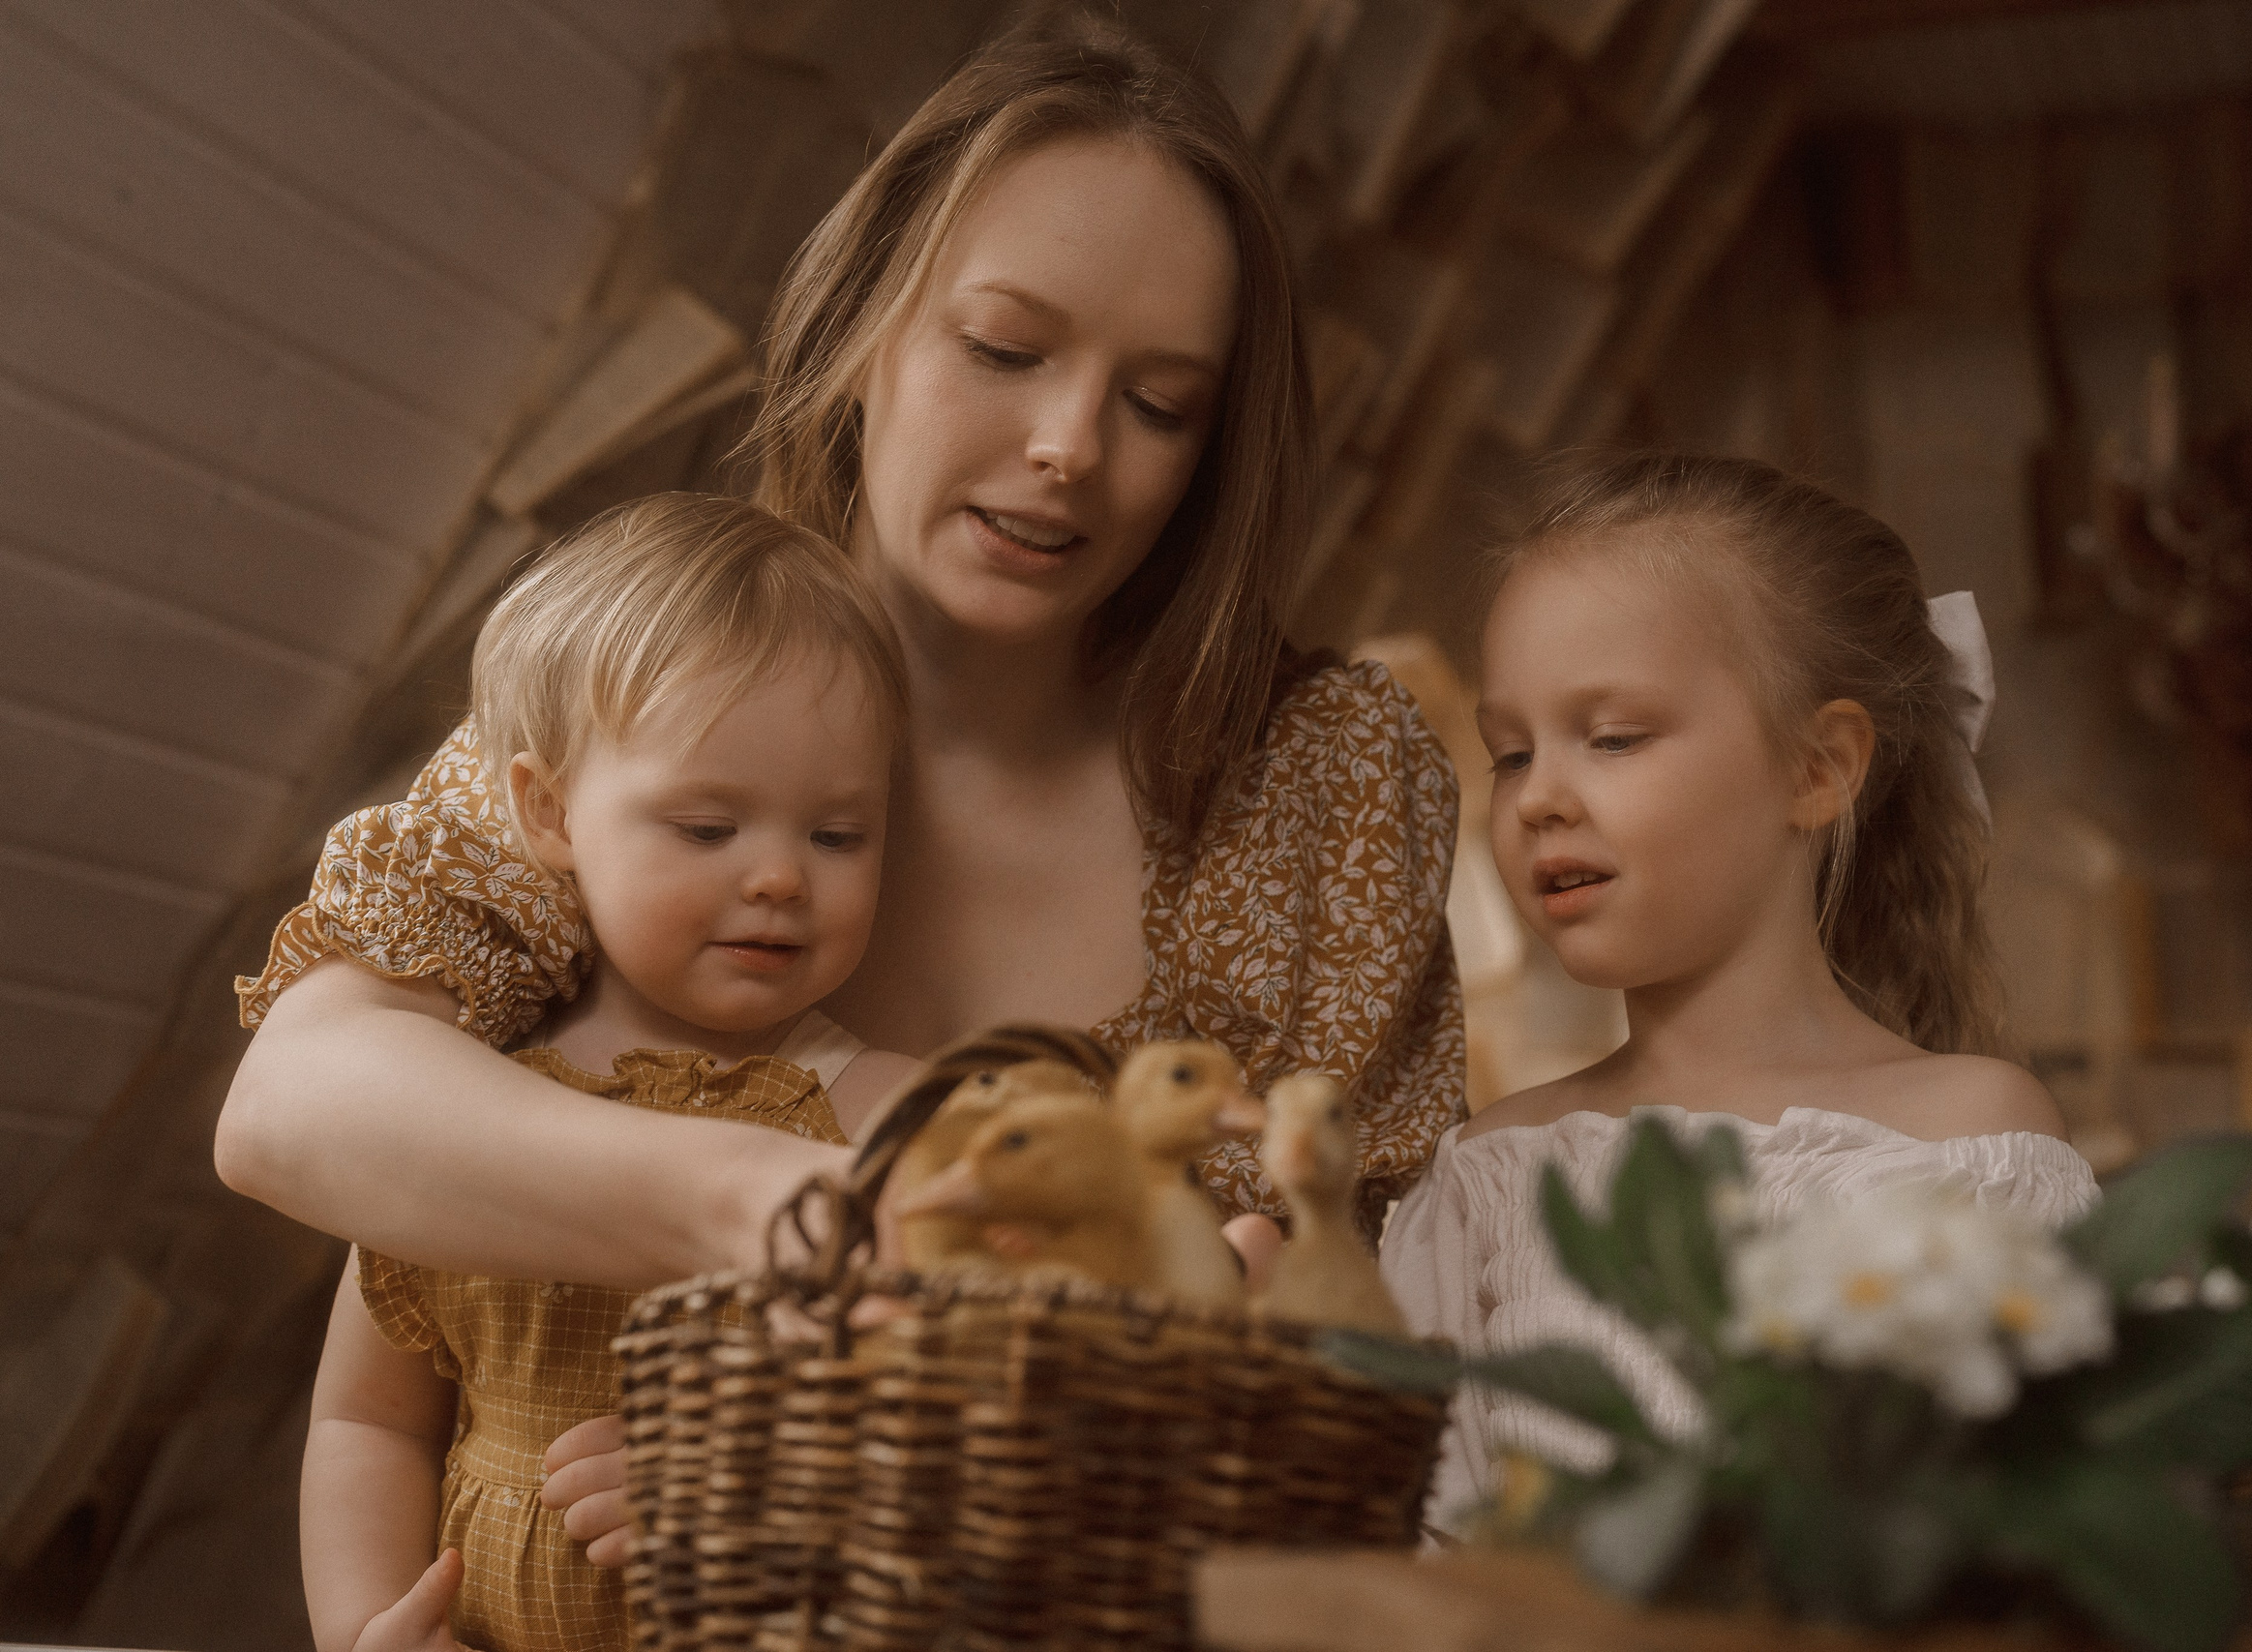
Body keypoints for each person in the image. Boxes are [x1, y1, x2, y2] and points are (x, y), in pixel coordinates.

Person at [219, 12, 1461, 1571]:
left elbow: (1371, 1371)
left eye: (1160, 405)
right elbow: (293, 1106)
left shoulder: (1330, 776)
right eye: (1005, 349)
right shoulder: (663, 668)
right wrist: (775, 1202)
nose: (1070, 445)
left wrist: (851, 1460)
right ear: (865, 322)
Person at [1378, 451, 2099, 1526]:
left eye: (1612, 737)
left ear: (1817, 769)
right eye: (1512, 756)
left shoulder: (1971, 1142)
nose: (1538, 801)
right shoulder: (1488, 1181)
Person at [300, 494, 916, 1652]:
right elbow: (367, 1422)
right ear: (550, 812)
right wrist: (364, 1626)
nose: (782, 877)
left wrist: (777, 1478)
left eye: (838, 835)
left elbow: (970, 1421)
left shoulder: (882, 1113)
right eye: (706, 827)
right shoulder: (461, 1108)